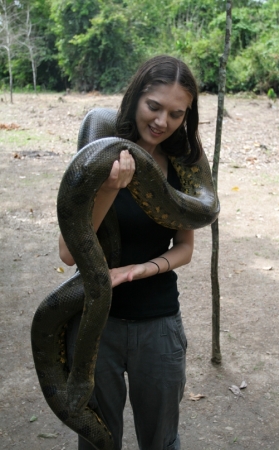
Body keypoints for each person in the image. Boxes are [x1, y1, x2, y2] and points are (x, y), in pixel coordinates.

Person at [59, 55, 208, 450]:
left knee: (161, 440)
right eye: (154, 107)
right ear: (136, 97)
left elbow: (186, 248)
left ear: (186, 117)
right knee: (97, 441)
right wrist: (109, 188)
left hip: (159, 325)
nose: (162, 122)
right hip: (96, 323)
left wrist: (140, 269)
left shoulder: (181, 165)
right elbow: (69, 253)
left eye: (176, 114)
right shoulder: (98, 155)